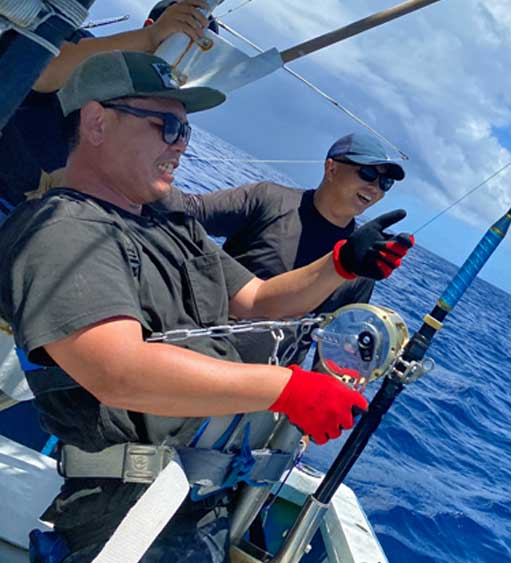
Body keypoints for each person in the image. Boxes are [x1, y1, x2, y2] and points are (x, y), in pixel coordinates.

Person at [0, 50, 412, 561]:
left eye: (186, 132)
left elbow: (257, 300)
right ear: (97, 121)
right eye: (167, 126)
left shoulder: (169, 221)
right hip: (128, 505)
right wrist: (287, 388)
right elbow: (117, 371)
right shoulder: (61, 229)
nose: (180, 146)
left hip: (201, 489)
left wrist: (342, 265)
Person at [156, 131, 411, 365]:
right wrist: (142, 177)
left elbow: (335, 351)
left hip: (262, 386)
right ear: (331, 168)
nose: (375, 187)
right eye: (367, 174)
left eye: (385, 183)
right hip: (194, 348)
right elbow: (189, 210)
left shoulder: (361, 260)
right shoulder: (268, 198)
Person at [0, 0, 214, 208]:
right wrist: (149, 38)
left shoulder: (169, 109)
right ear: (152, 26)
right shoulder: (85, 51)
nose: (184, 57)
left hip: (39, 218)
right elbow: (40, 70)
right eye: (182, 39)